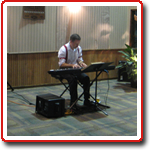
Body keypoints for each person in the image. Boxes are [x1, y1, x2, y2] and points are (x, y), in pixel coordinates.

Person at [58, 34, 91, 107]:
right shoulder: (64, 49)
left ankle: (87, 100)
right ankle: (73, 102)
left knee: (86, 78)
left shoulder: (78, 48)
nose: (77, 45)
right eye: (76, 44)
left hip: (75, 69)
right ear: (71, 42)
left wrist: (82, 63)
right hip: (65, 70)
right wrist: (72, 65)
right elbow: (61, 64)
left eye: (78, 43)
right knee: (73, 80)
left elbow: (79, 60)